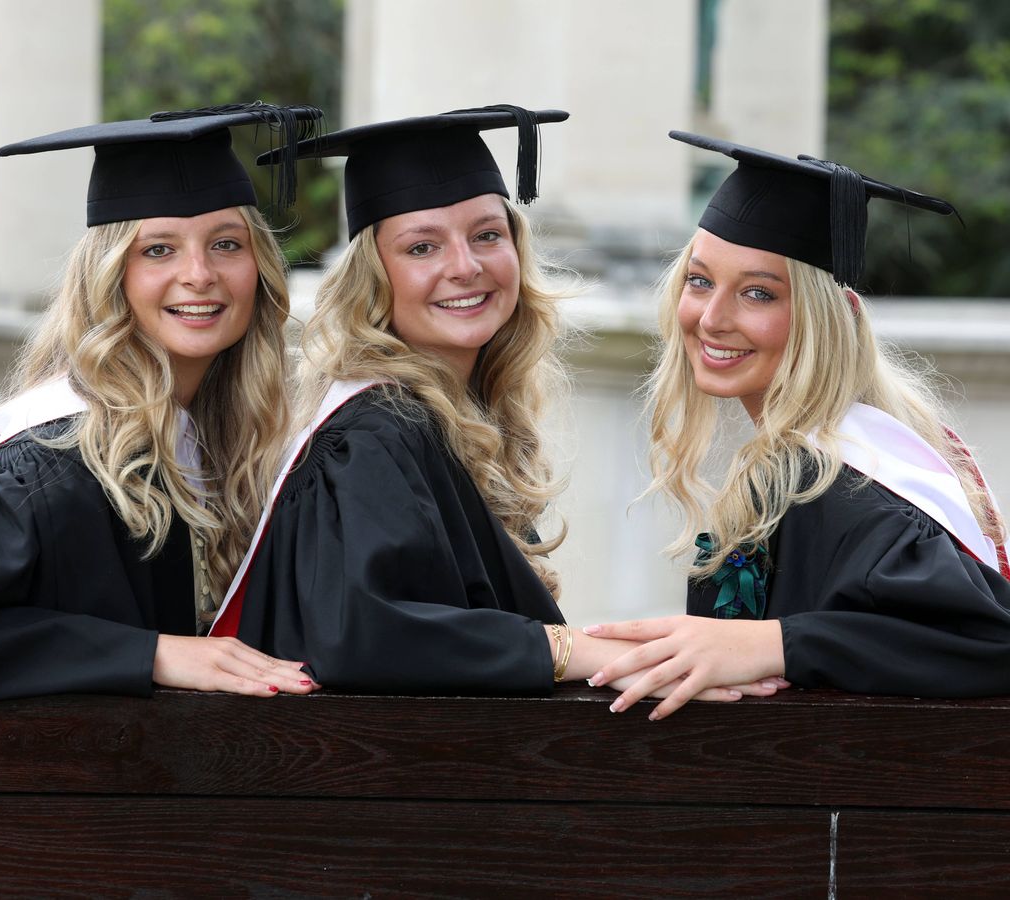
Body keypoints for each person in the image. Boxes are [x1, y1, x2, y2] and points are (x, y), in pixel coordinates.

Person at [202, 106, 785, 700]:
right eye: (422, 248)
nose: (465, 266)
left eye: (487, 235)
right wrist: (581, 652)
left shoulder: (455, 419)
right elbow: (366, 632)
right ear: (373, 278)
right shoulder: (370, 437)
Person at [0, 103, 325, 700]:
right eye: (158, 249)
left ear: (258, 269)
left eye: (226, 244)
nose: (200, 274)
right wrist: (151, 654)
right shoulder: (54, 464)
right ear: (110, 278)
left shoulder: (223, 445)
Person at [585, 131, 1010, 719]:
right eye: (700, 280)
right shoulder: (805, 467)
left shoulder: (844, 488)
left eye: (757, 293)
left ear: (827, 320)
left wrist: (777, 644)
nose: (712, 318)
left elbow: (992, 643)